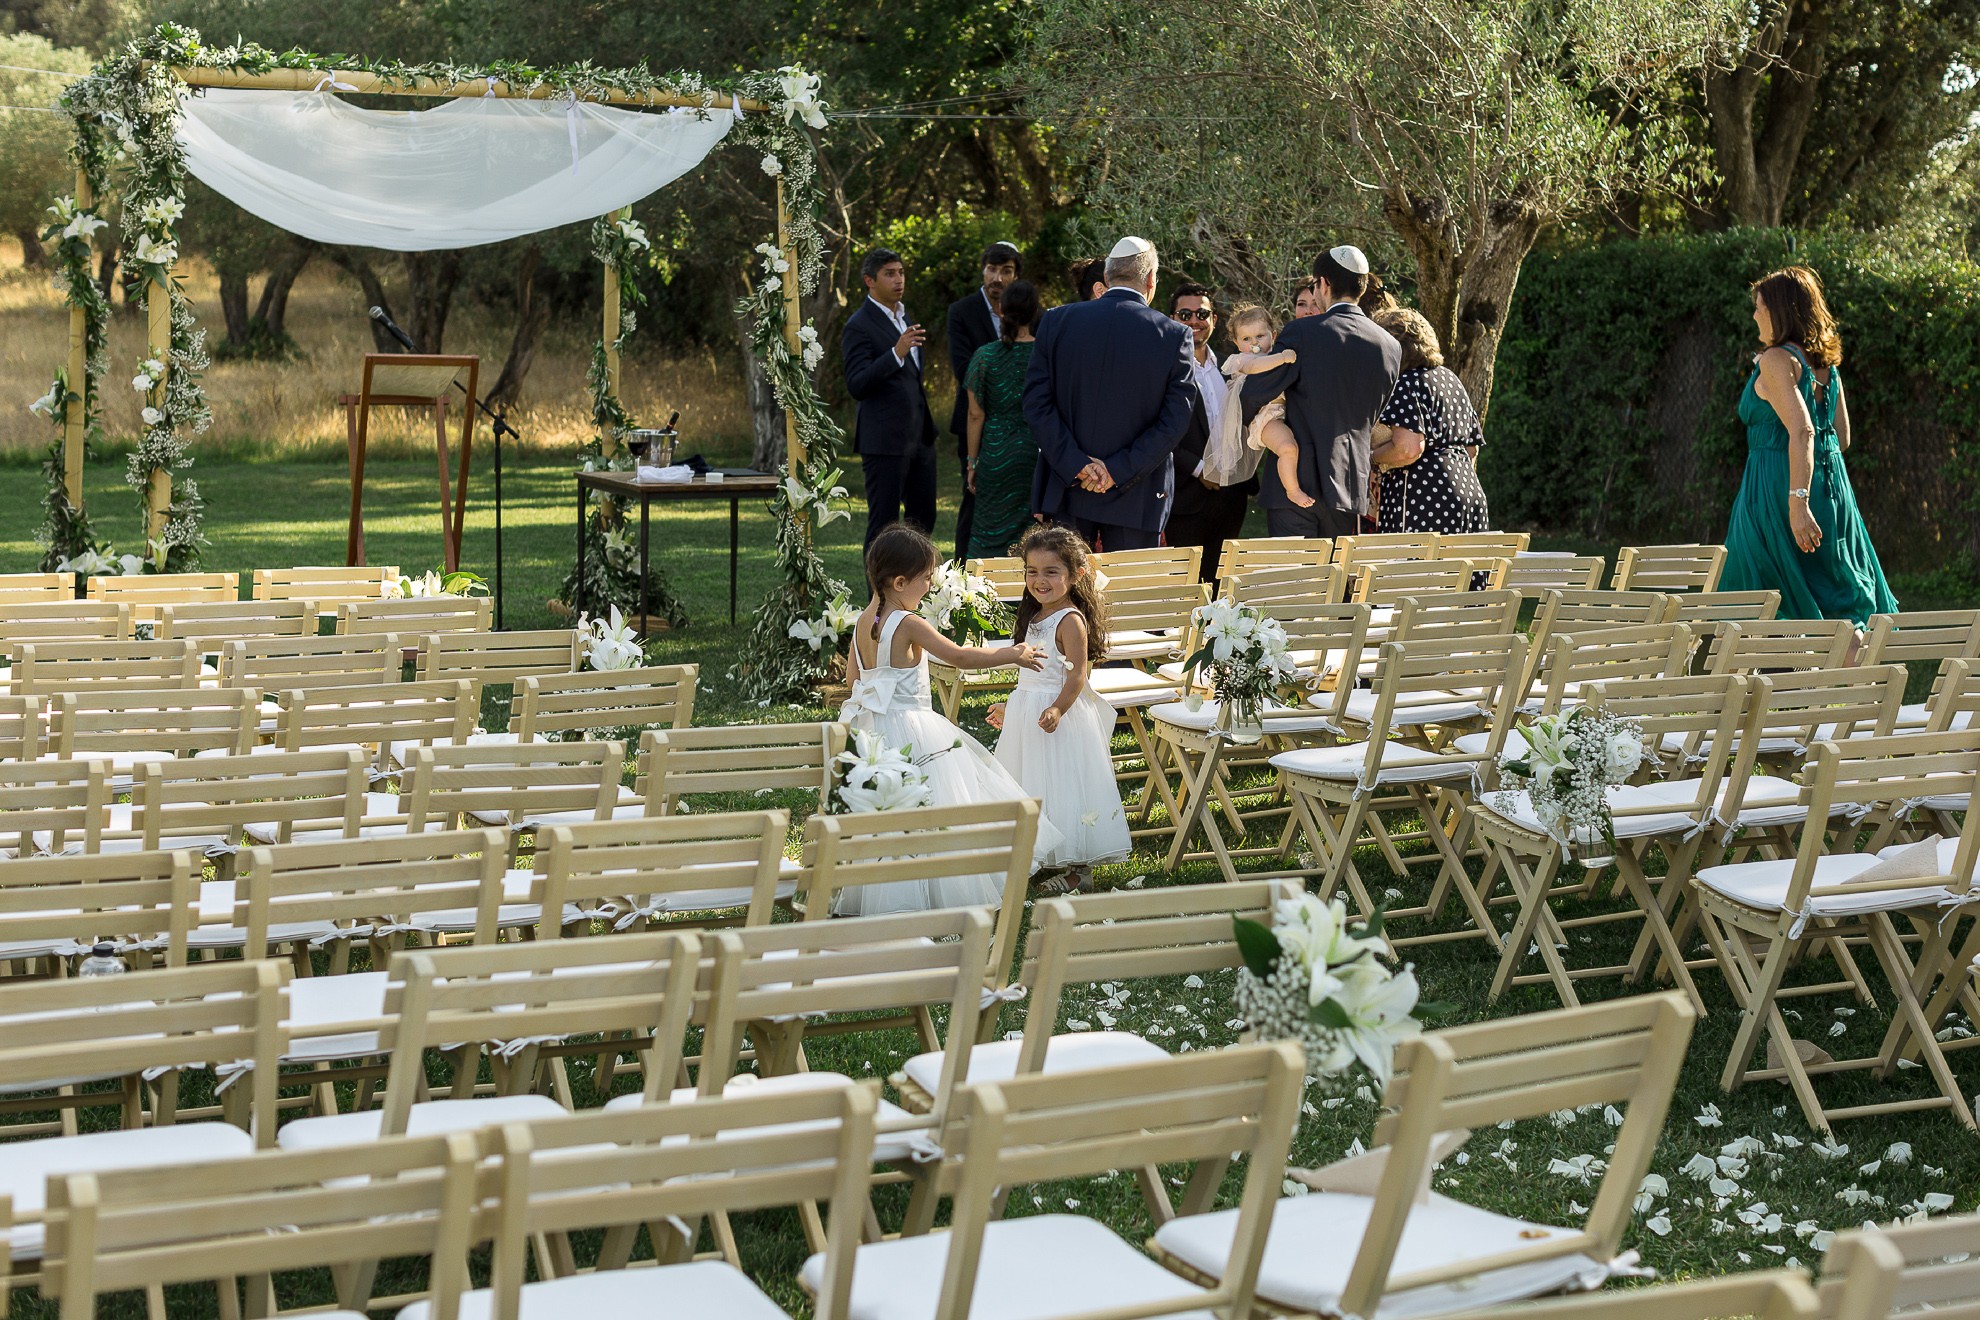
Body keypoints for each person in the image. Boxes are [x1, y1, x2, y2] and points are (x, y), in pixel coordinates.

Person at [837, 523, 1061, 915]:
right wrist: (1013, 654)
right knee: (937, 806)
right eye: (925, 579)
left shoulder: (862, 621)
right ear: (901, 581)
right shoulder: (908, 623)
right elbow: (958, 656)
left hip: (869, 732)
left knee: (884, 812)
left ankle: (880, 890)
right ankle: (940, 889)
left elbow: (853, 680)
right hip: (913, 729)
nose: (928, 587)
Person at [1722, 265, 1895, 645]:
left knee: (1760, 595)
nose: (1754, 314)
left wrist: (1797, 501)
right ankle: (1865, 693)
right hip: (1833, 492)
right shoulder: (1825, 366)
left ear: (1779, 311)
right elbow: (1842, 436)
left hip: (1777, 491)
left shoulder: (1775, 361)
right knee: (1835, 596)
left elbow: (1802, 430)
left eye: (1759, 306)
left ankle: (1762, 693)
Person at [1023, 236, 1196, 551]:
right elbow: (1175, 421)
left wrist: (1077, 464)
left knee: (1066, 592)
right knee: (1127, 595)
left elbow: (1036, 404)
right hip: (1137, 496)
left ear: (1106, 277)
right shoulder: (1174, 335)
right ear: (1150, 280)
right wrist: (1116, 470)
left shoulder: (1056, 321)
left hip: (1068, 488)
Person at [987, 525, 1130, 894]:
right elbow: (1034, 674)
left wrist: (1056, 709)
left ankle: (1077, 869)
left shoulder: (1069, 620)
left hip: (1059, 715)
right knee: (1030, 781)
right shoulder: (1034, 614)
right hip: (1031, 712)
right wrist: (1012, 705)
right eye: (1031, 571)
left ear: (1075, 574)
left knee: (1066, 787)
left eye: (1051, 572)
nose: (1040, 580)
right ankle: (1037, 854)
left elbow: (1078, 675)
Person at [1240, 245, 1401, 538]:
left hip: (1296, 485)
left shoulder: (1302, 332)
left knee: (1296, 581)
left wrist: (1263, 427)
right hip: (1351, 483)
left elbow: (1254, 392)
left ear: (1324, 283)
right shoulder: (1390, 345)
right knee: (1336, 581)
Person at [842, 247, 938, 551]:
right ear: (870, 281)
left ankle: (915, 593)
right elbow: (857, 384)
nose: (899, 280)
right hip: (884, 441)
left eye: (901, 272)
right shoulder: (858, 325)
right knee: (884, 526)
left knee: (923, 521)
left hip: (919, 439)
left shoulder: (905, 317)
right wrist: (896, 353)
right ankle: (878, 599)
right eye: (889, 274)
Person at [1165, 283, 1258, 583]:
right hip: (1187, 495)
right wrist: (1199, 468)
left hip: (1233, 495)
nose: (1194, 320)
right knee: (1188, 586)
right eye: (1185, 313)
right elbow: (1160, 434)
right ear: (1172, 319)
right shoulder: (1163, 370)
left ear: (1214, 319)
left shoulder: (1232, 368)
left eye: (1202, 313)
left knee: (1224, 585)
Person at [1369, 306, 1490, 535]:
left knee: (1416, 569)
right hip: (1469, 493)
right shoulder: (1449, 378)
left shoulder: (1404, 382)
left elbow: (1409, 447)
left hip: (1423, 497)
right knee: (1464, 569)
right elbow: (1471, 449)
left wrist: (1373, 458)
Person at [946, 241, 1023, 559]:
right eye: (992, 269)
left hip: (1020, 429)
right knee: (974, 500)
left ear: (1016, 275)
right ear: (983, 270)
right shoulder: (961, 312)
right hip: (976, 422)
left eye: (1006, 271)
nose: (997, 278)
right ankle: (964, 576)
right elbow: (963, 370)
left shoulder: (1029, 313)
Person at [963, 280, 1043, 559]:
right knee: (1033, 535)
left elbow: (975, 414)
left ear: (1000, 310)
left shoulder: (985, 356)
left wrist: (972, 462)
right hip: (1036, 452)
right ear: (1035, 312)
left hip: (996, 451)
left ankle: (985, 593)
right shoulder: (1046, 355)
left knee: (988, 532)